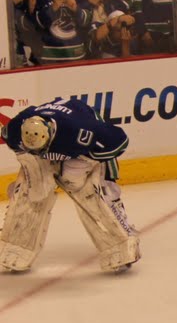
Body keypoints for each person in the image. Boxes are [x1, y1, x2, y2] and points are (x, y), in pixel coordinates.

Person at [1, 97, 138, 273]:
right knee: (33, 191)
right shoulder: (15, 129)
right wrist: (30, 174)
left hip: (78, 145)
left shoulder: (80, 130)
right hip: (57, 139)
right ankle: (16, 245)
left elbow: (120, 142)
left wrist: (88, 162)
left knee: (88, 189)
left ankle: (122, 238)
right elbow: (20, 151)